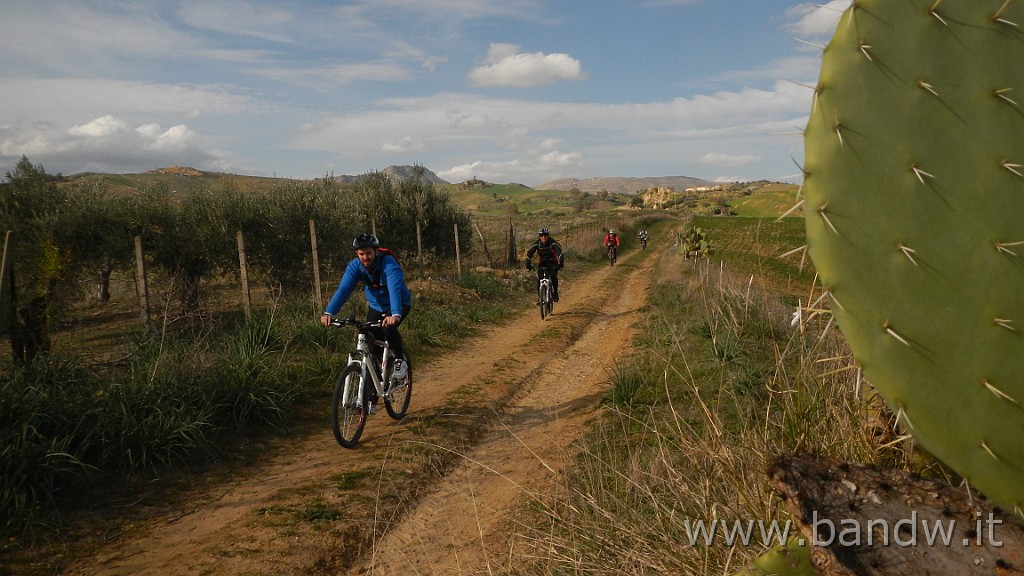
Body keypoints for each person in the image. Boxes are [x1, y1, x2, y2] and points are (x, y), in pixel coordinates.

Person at [321, 234, 413, 408]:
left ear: (376, 251)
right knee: (370, 343)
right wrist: (329, 312)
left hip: (398, 304)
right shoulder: (355, 266)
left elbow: (394, 289)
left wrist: (395, 315)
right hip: (376, 306)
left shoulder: (389, 264)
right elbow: (344, 290)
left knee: (388, 329)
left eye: (369, 253)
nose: (365, 257)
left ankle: (400, 361)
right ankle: (372, 393)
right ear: (357, 254)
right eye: (361, 254)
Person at [524, 228, 564, 302]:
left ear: (548, 235)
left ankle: (555, 293)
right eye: (541, 235)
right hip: (542, 263)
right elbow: (529, 253)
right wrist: (528, 264)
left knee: (553, 276)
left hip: (552, 262)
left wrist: (560, 263)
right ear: (539, 236)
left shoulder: (552, 243)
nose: (543, 237)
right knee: (540, 279)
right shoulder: (537, 243)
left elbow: (559, 252)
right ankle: (540, 297)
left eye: (545, 235)